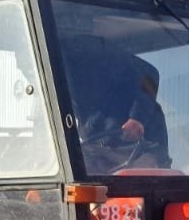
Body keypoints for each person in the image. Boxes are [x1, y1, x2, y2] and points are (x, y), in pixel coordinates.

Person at [64, 38, 171, 172]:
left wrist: (137, 118)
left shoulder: (89, 52)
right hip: (98, 149)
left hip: (137, 147)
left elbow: (149, 73)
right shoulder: (53, 76)